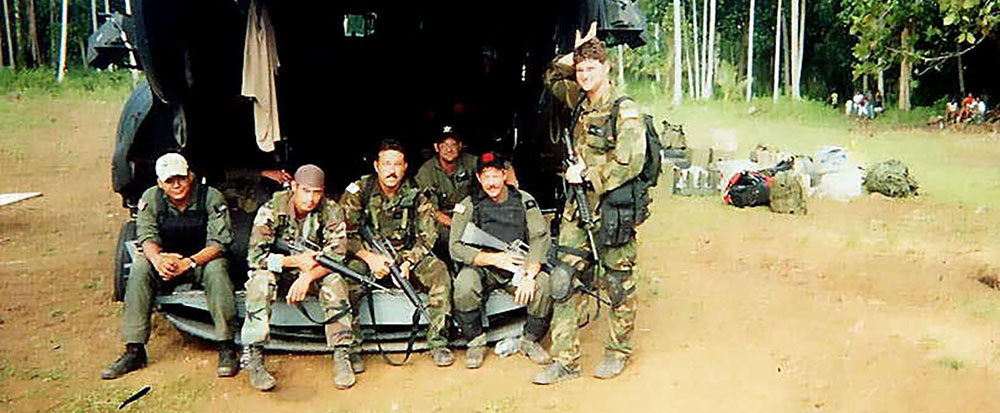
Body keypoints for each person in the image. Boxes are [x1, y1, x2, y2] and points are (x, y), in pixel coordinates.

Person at [536, 22, 646, 384]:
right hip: (576, 209)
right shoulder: (579, 99)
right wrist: (575, 52)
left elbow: (631, 161)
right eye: (580, 69)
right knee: (563, 280)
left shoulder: (624, 109)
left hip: (611, 209)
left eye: (590, 68)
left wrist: (588, 174)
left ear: (607, 68)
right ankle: (566, 361)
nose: (583, 75)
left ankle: (618, 352)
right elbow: (551, 76)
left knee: (617, 284)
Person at [101, 153, 238, 380]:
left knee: (217, 270)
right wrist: (159, 260)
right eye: (169, 180)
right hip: (167, 261)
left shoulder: (211, 197)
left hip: (200, 261)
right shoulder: (151, 199)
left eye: (181, 178)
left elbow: (220, 243)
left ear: (190, 176)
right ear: (159, 183)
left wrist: (189, 262)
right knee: (140, 268)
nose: (176, 185)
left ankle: (226, 345)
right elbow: (146, 236)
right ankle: (134, 349)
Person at [240, 164, 359, 391]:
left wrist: (307, 277)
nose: (311, 198)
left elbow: (337, 256)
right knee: (259, 281)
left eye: (316, 192)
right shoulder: (273, 208)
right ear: (294, 186)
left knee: (335, 280)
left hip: (313, 274)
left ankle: (342, 353)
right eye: (305, 190)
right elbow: (255, 257)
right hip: (281, 272)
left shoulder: (331, 210)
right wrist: (293, 262)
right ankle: (255, 354)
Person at [340, 139, 455, 367]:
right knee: (349, 277)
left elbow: (428, 235)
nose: (392, 170)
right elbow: (344, 233)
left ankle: (438, 341)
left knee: (440, 272)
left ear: (405, 167)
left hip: (405, 257)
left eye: (397, 164)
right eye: (387, 164)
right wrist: (369, 257)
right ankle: (350, 347)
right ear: (377, 166)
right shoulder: (359, 191)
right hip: (367, 256)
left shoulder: (417, 193)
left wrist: (409, 261)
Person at [449, 152, 553, 369]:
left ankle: (530, 340)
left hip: (518, 267)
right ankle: (476, 341)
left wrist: (530, 275)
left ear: (505, 175)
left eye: (496, 176)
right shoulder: (469, 205)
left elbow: (539, 238)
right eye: (486, 177)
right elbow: (455, 247)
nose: (491, 183)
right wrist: (492, 259)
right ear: (478, 178)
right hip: (485, 268)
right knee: (464, 284)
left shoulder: (524, 201)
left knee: (542, 284)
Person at [414, 126, 478, 268]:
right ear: (436, 147)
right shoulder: (427, 171)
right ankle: (452, 269)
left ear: (460, 146)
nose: (449, 149)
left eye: (453, 144)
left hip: (471, 215)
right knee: (445, 236)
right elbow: (432, 211)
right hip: (444, 220)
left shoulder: (471, 162)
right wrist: (457, 226)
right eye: (444, 145)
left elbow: (502, 166)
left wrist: (512, 187)